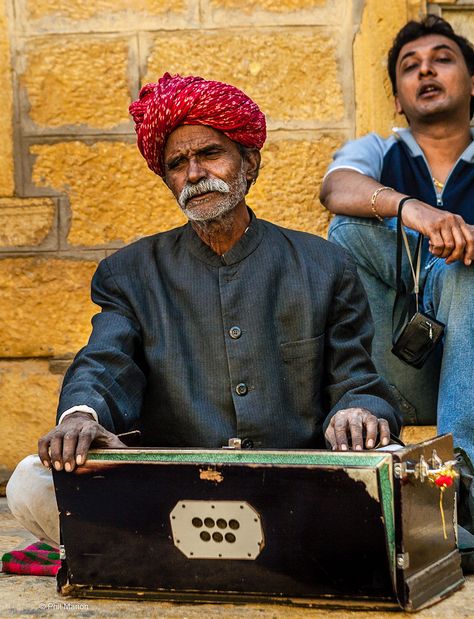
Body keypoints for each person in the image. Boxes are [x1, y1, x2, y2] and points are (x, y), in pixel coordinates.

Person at [7, 73, 400, 546]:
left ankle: (163, 557)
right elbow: (104, 362)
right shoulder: (129, 273)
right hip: (175, 491)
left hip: (297, 484)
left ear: (249, 163)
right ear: (168, 177)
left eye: (210, 154)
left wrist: (356, 411)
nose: (194, 174)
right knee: (31, 480)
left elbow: (357, 378)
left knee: (397, 469)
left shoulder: (325, 265)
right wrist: (81, 416)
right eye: (178, 163)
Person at [320, 15, 474, 465]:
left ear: (471, 84)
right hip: (403, 375)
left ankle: (462, 470)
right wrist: (412, 209)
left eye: (442, 60)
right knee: (346, 229)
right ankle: (365, 404)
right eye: (410, 66)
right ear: (397, 101)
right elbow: (335, 188)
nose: (425, 70)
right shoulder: (379, 149)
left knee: (463, 272)